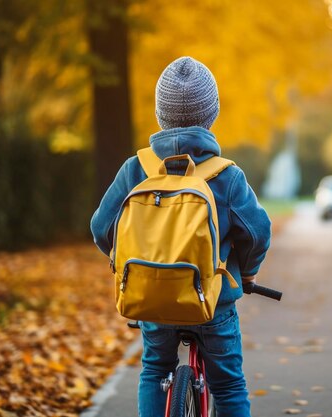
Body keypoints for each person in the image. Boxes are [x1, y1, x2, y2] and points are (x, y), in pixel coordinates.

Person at [90, 56, 272, 417]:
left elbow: (100, 227)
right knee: (229, 384)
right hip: (212, 302)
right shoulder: (226, 175)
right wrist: (248, 273)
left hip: (152, 300)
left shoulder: (135, 169)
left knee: (155, 370)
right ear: (212, 113)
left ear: (160, 114)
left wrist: (126, 262)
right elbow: (257, 233)